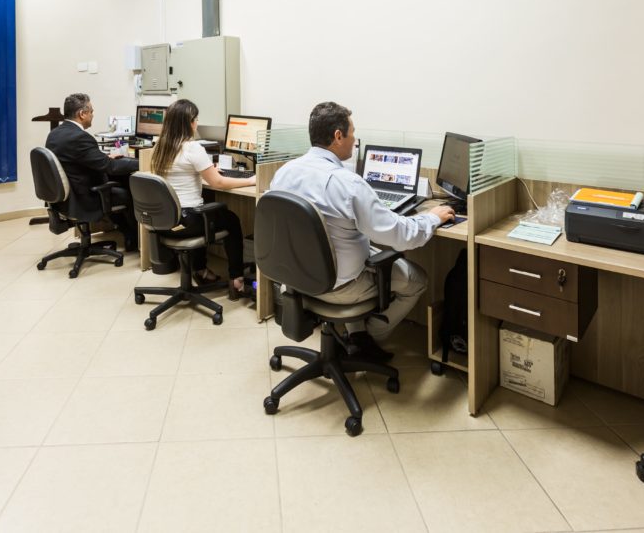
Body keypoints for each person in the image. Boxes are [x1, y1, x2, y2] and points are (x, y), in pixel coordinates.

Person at [269, 101, 455, 361]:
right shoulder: (349, 185)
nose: (354, 139)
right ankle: (369, 336)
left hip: (295, 277)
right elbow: (401, 236)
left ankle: (356, 334)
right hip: (340, 287)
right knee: (417, 280)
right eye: (352, 132)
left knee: (354, 250)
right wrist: (432, 218)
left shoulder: (284, 173)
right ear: (338, 136)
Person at [150, 99, 255, 300]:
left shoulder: (160, 147)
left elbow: (180, 174)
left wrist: (206, 169)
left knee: (206, 209)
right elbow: (218, 183)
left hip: (165, 221)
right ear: (189, 122)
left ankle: (201, 270)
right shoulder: (192, 148)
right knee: (231, 219)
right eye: (195, 119)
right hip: (188, 221)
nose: (197, 123)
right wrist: (250, 180)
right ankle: (237, 281)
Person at [45, 93, 139, 251]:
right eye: (91, 112)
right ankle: (134, 237)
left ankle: (127, 233)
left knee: (120, 181)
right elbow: (111, 167)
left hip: (66, 198)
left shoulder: (54, 134)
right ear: (82, 114)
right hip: (84, 198)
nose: (93, 115)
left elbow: (77, 159)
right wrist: (142, 163)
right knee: (130, 192)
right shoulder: (80, 137)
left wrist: (104, 158)